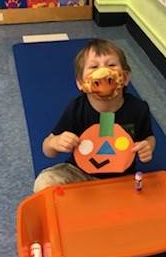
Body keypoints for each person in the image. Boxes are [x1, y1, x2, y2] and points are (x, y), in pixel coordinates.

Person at [33, 39, 156, 192]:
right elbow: (47, 149)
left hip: (121, 177)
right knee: (45, 181)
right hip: (80, 173)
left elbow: (148, 137)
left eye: (111, 65)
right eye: (93, 67)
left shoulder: (138, 108)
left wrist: (148, 146)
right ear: (80, 84)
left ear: (124, 78)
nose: (103, 72)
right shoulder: (76, 109)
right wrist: (56, 142)